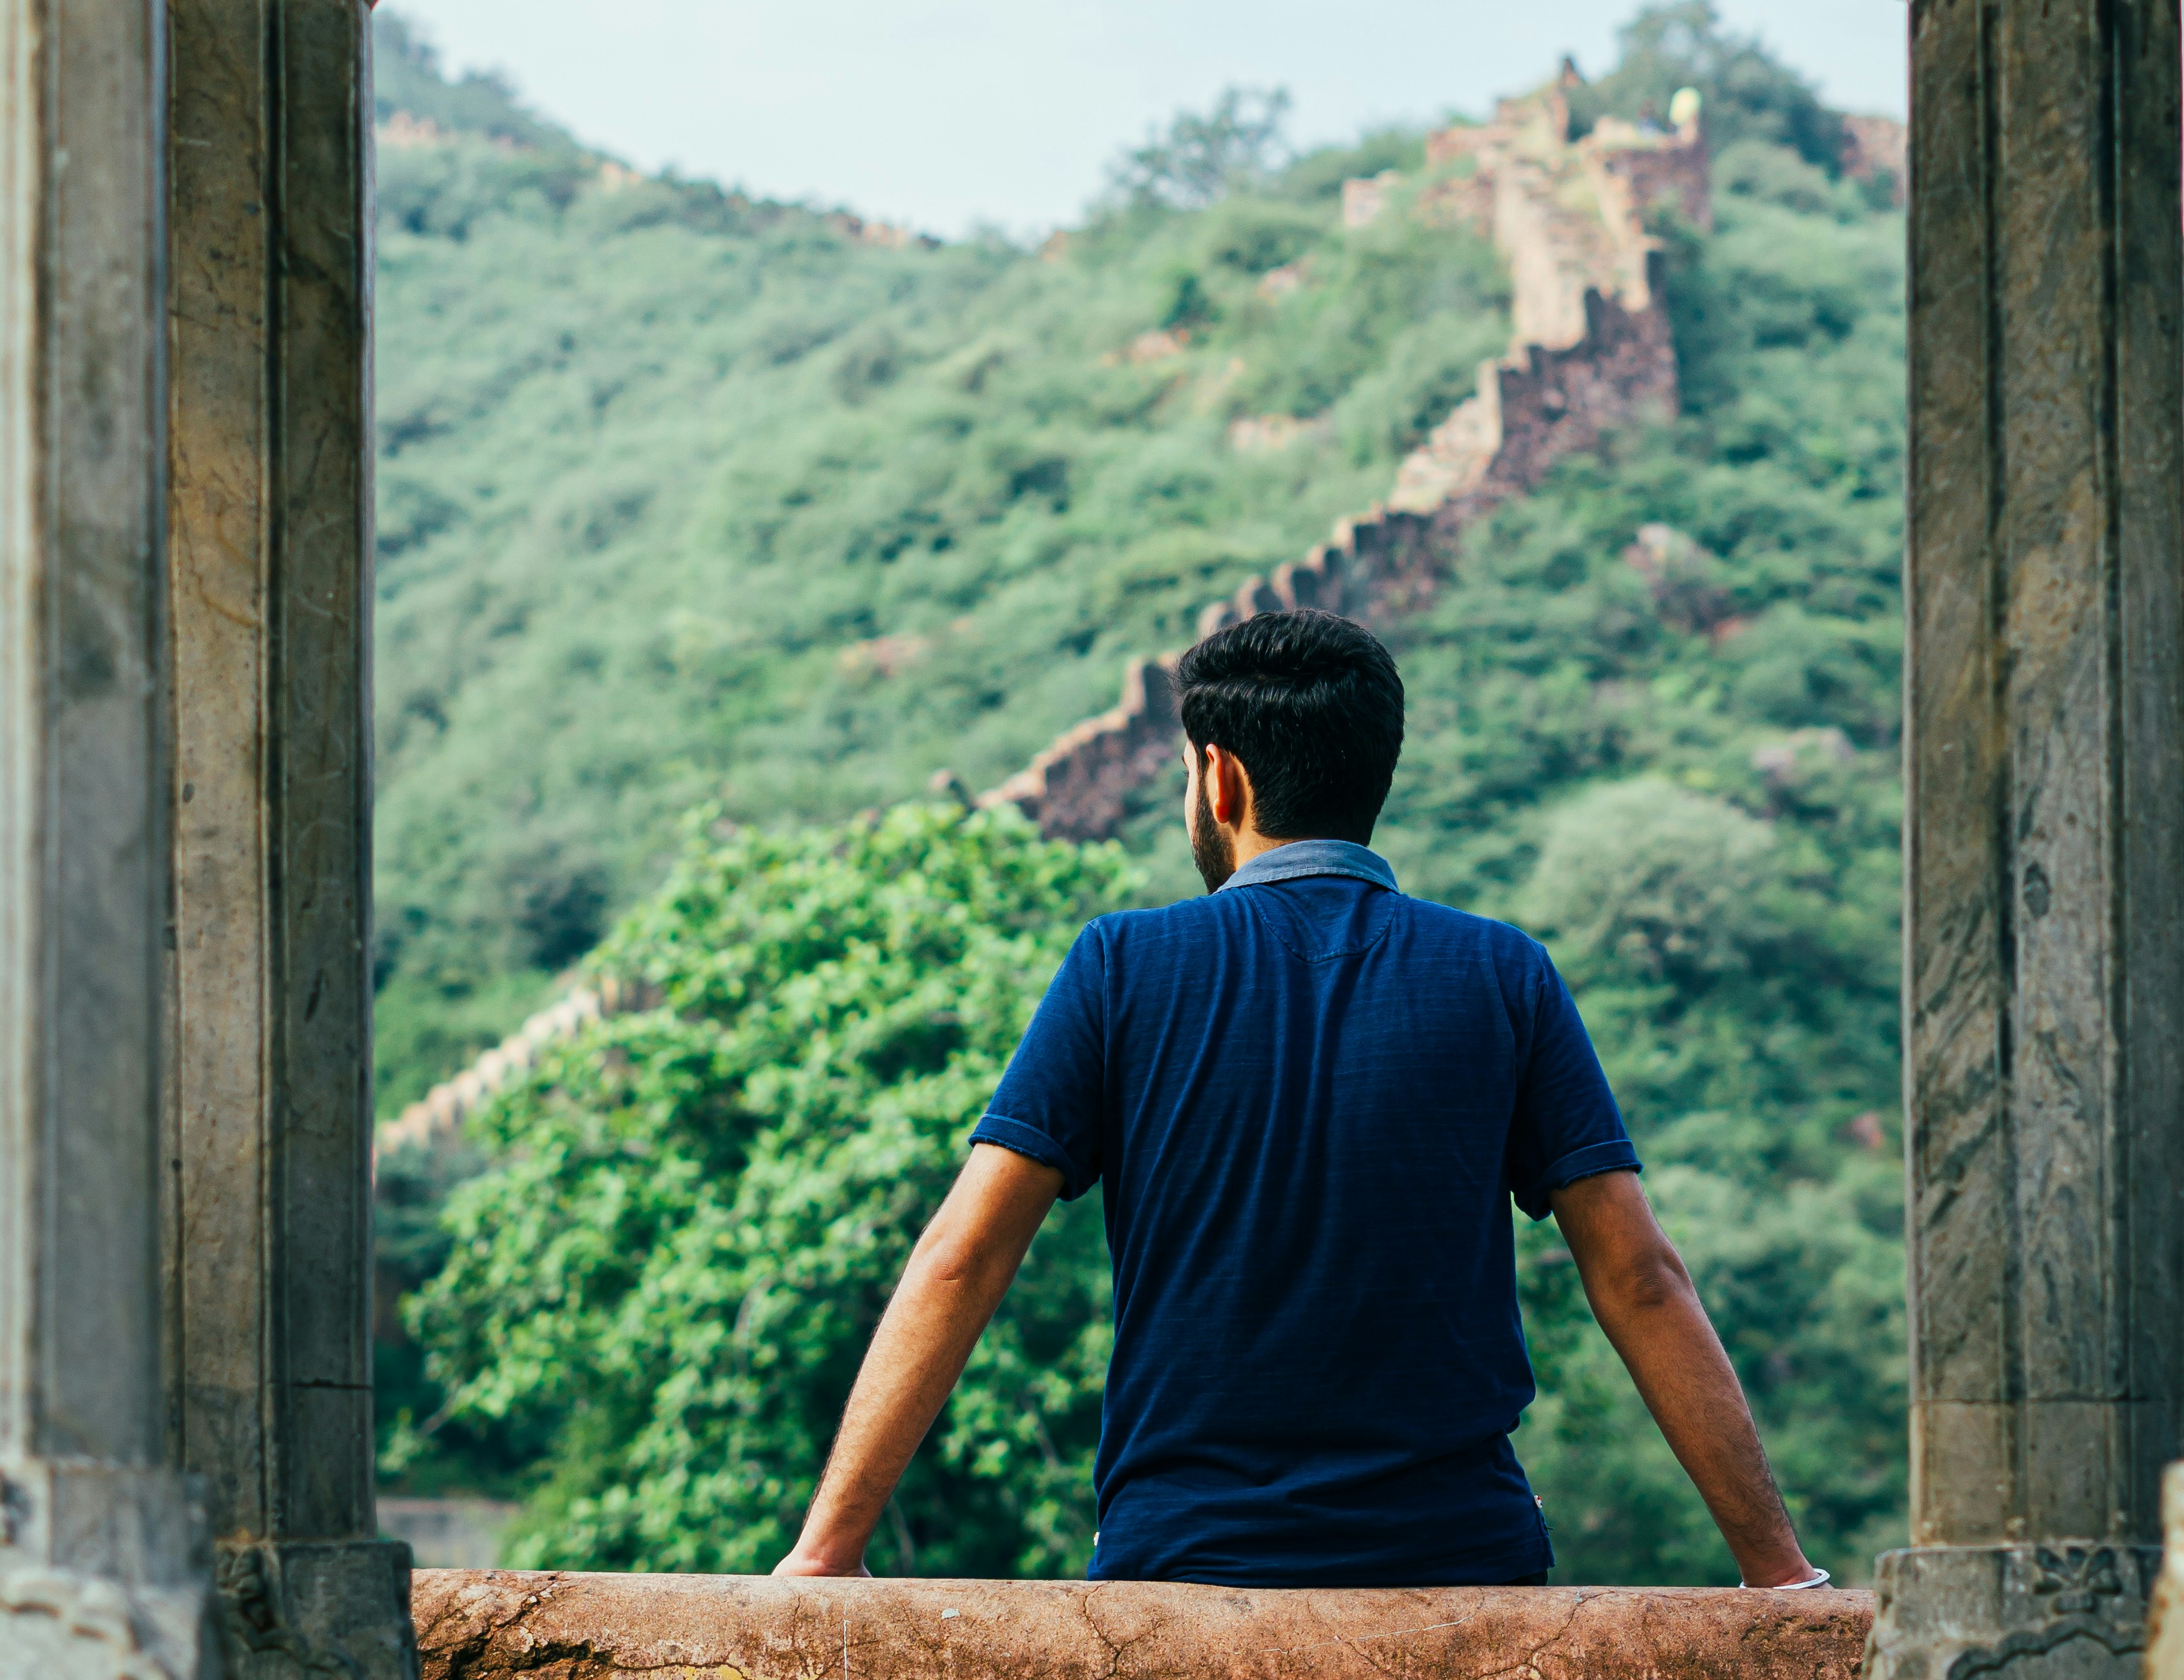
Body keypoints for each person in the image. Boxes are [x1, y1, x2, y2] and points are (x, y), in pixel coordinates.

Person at [774, 606, 1822, 1589]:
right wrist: (1781, 1573)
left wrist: (827, 1552)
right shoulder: (1504, 974)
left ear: (1219, 780)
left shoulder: (1122, 967)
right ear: (1376, 772)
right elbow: (1638, 1278)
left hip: (1182, 1567)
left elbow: (964, 1254)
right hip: (1458, 1566)